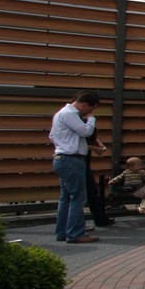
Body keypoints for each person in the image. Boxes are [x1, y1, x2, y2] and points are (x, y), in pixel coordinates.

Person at [49, 91, 102, 244]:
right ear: (85, 105)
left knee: (65, 198)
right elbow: (85, 131)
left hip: (62, 158)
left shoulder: (60, 114)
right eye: (91, 109)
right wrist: (91, 119)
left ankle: (63, 231)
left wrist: (67, 142)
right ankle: (75, 233)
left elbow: (52, 136)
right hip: (71, 159)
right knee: (78, 198)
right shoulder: (70, 114)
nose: (89, 112)